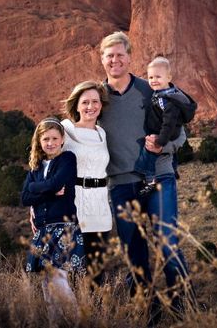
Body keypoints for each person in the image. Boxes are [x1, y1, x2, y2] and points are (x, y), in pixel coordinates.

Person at [99, 31, 190, 314]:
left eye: (120, 55)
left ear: (129, 58)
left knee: (168, 244)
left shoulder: (149, 89)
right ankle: (148, 311)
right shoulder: (97, 97)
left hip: (159, 176)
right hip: (121, 184)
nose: (115, 60)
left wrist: (164, 147)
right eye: (109, 55)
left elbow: (180, 135)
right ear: (102, 59)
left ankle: (184, 308)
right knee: (134, 252)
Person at [21, 117, 85, 319]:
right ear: (39, 141)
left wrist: (36, 189)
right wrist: (43, 190)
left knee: (59, 277)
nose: (50, 143)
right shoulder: (36, 167)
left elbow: (57, 184)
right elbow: (25, 197)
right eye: (46, 139)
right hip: (42, 229)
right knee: (46, 282)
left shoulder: (67, 159)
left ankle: (75, 320)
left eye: (54, 138)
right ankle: (54, 322)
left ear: (62, 139)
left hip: (63, 226)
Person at [60, 80, 113, 285]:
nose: (90, 107)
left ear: (101, 105)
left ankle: (96, 315)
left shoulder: (102, 133)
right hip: (76, 206)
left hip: (100, 206)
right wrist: (35, 205)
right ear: (76, 105)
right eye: (85, 102)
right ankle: (73, 315)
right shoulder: (66, 130)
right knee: (75, 269)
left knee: (97, 269)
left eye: (95, 101)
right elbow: (43, 161)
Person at [135, 56, 195, 200]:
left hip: (165, 133)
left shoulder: (168, 100)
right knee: (168, 156)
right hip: (165, 132)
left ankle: (149, 180)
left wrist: (160, 141)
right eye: (150, 77)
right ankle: (173, 169)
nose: (153, 80)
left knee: (148, 155)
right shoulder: (164, 93)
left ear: (169, 77)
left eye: (158, 76)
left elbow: (168, 122)